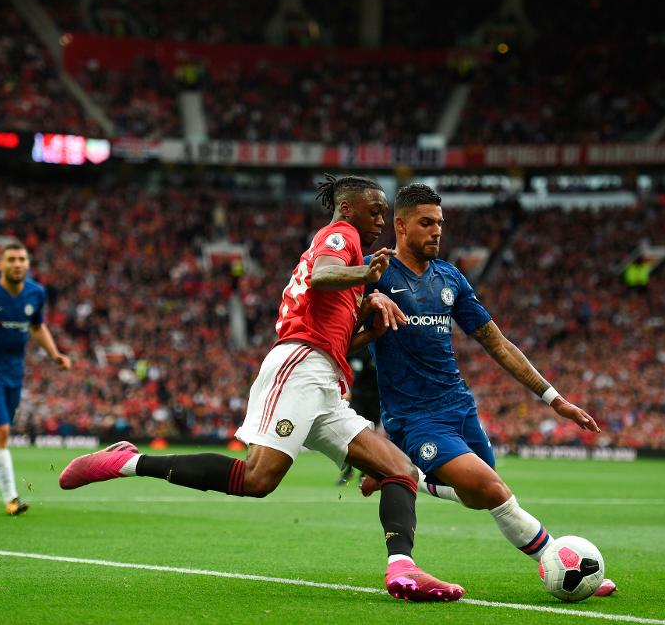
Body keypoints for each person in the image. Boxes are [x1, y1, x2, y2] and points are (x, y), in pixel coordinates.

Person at [60, 175, 465, 603]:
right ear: (348, 209)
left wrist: (369, 326)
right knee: (257, 478)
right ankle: (127, 462)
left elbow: (336, 339)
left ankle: (402, 569)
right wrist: (366, 274)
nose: (381, 220)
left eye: (384, 213)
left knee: (398, 469)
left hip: (324, 379)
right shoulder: (340, 235)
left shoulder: (349, 268)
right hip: (300, 367)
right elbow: (321, 276)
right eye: (376, 211)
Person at [359, 183, 615, 597]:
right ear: (400, 226)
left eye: (440, 223)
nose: (436, 231)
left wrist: (555, 399)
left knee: (478, 495)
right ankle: (561, 560)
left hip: (459, 408)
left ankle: (404, 473)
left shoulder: (450, 278)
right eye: (426, 223)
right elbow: (337, 325)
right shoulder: (374, 272)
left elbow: (497, 343)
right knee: (495, 491)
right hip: (414, 418)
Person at [0, 243, 72, 515]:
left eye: (22, 259)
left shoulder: (36, 293)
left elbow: (37, 327)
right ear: (1, 264)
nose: (17, 264)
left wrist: (54, 354)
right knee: (2, 432)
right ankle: (12, 499)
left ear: (28, 264)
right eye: (12, 259)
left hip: (14, 373)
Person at [335, 350, 381, 486]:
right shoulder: (356, 349)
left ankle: (365, 473)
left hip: (375, 399)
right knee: (352, 433)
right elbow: (342, 365)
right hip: (357, 397)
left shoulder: (377, 349)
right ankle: (348, 470)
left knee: (371, 436)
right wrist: (344, 389)